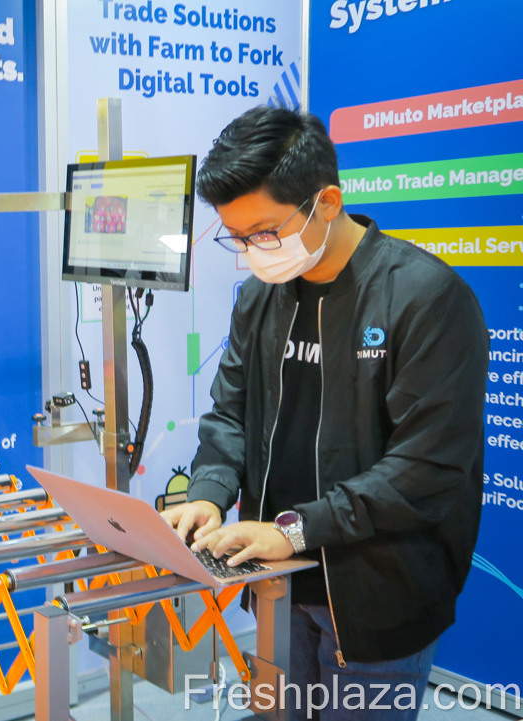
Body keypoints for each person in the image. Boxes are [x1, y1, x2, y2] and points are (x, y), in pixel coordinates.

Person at [162, 106, 487, 720]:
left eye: (265, 232)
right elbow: (230, 414)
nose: (254, 252)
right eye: (238, 237)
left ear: (327, 202)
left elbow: (427, 468)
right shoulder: (261, 296)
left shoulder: (425, 298)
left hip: (374, 592)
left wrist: (294, 529)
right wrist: (209, 492)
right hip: (275, 583)